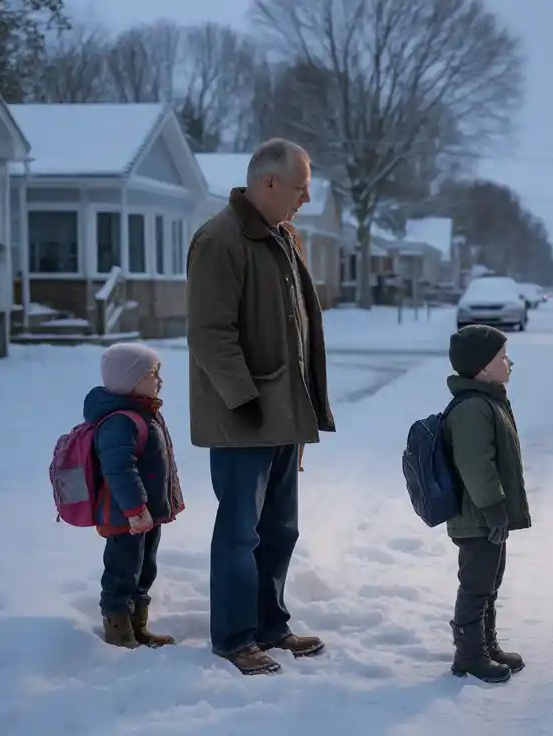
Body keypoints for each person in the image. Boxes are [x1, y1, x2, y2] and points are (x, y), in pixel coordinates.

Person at [186, 138, 336, 676]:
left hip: (283, 415)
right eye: (300, 188)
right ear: (269, 181)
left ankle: (270, 624)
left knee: (279, 529)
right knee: (239, 533)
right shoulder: (220, 240)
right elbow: (210, 334)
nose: (305, 200)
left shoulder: (285, 238)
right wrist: (243, 399)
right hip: (242, 418)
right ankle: (234, 637)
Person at [444, 325, 532, 684]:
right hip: (477, 516)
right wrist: (494, 509)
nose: (510, 363)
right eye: (503, 357)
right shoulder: (472, 408)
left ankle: (485, 644)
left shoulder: (488, 400)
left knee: (490, 582)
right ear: (482, 368)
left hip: (487, 515)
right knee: (476, 585)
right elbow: (477, 466)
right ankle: (468, 654)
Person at [87, 343, 185, 649]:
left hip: (146, 514)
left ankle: (137, 623)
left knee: (145, 568)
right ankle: (118, 627)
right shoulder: (120, 421)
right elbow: (119, 469)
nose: (160, 380)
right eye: (153, 374)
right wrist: (134, 509)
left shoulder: (145, 413)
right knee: (122, 570)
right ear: (131, 380)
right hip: (126, 516)